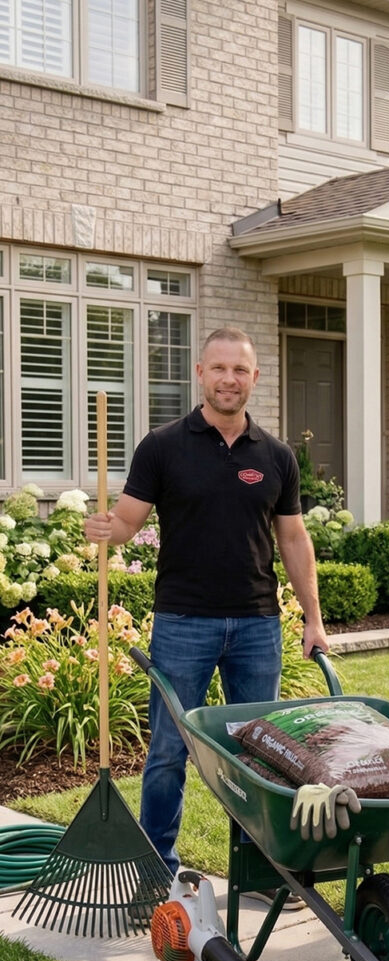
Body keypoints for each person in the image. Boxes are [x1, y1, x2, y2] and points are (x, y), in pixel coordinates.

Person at [85, 325, 329, 908]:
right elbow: (127, 521)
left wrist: (313, 619)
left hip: (256, 624)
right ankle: (156, 868)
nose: (229, 379)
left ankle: (260, 872)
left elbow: (294, 541)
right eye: (219, 369)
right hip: (183, 622)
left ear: (254, 377)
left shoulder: (276, 456)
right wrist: (107, 532)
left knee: (258, 754)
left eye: (240, 370)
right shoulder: (163, 446)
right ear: (200, 374)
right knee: (169, 750)